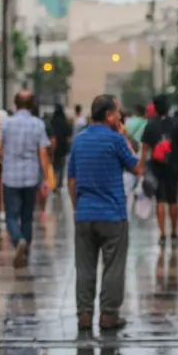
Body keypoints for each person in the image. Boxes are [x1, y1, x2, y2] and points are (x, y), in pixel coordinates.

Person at [67, 94, 142, 331]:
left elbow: (71, 180)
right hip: (113, 215)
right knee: (113, 267)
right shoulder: (115, 140)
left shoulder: (79, 141)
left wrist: (77, 207)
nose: (120, 117)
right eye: (118, 113)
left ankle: (84, 315)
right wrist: (124, 137)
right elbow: (138, 167)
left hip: (85, 214)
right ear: (109, 115)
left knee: (85, 267)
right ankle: (109, 316)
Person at [0, 91, 52, 268]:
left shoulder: (6, 124)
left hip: (10, 176)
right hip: (31, 177)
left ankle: (18, 240)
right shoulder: (38, 124)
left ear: (15, 104)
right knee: (27, 217)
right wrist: (45, 178)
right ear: (31, 105)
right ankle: (26, 250)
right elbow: (43, 153)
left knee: (11, 216)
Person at [140, 94, 178, 242]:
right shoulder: (177, 123)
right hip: (174, 166)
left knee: (160, 200)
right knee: (173, 199)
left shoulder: (150, 125)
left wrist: (141, 166)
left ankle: (162, 234)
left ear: (154, 107)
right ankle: (174, 232)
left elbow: (145, 148)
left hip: (157, 166)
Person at [49, 104, 72, 190]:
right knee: (61, 166)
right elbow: (69, 137)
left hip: (53, 147)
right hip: (63, 147)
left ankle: (54, 182)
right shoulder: (65, 122)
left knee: (54, 166)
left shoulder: (52, 121)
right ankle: (59, 184)